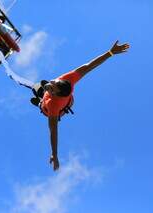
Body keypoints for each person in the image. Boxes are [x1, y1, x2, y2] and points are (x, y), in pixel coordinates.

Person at [31, 41, 130, 171]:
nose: (51, 83)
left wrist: (54, 154)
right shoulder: (69, 78)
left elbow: (53, 130)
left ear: (56, 94)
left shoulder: (53, 105)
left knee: (42, 103)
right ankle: (41, 92)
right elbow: (90, 66)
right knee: (42, 87)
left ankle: (39, 102)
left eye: (51, 87)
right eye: (52, 82)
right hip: (63, 98)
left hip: (52, 108)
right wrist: (110, 52)